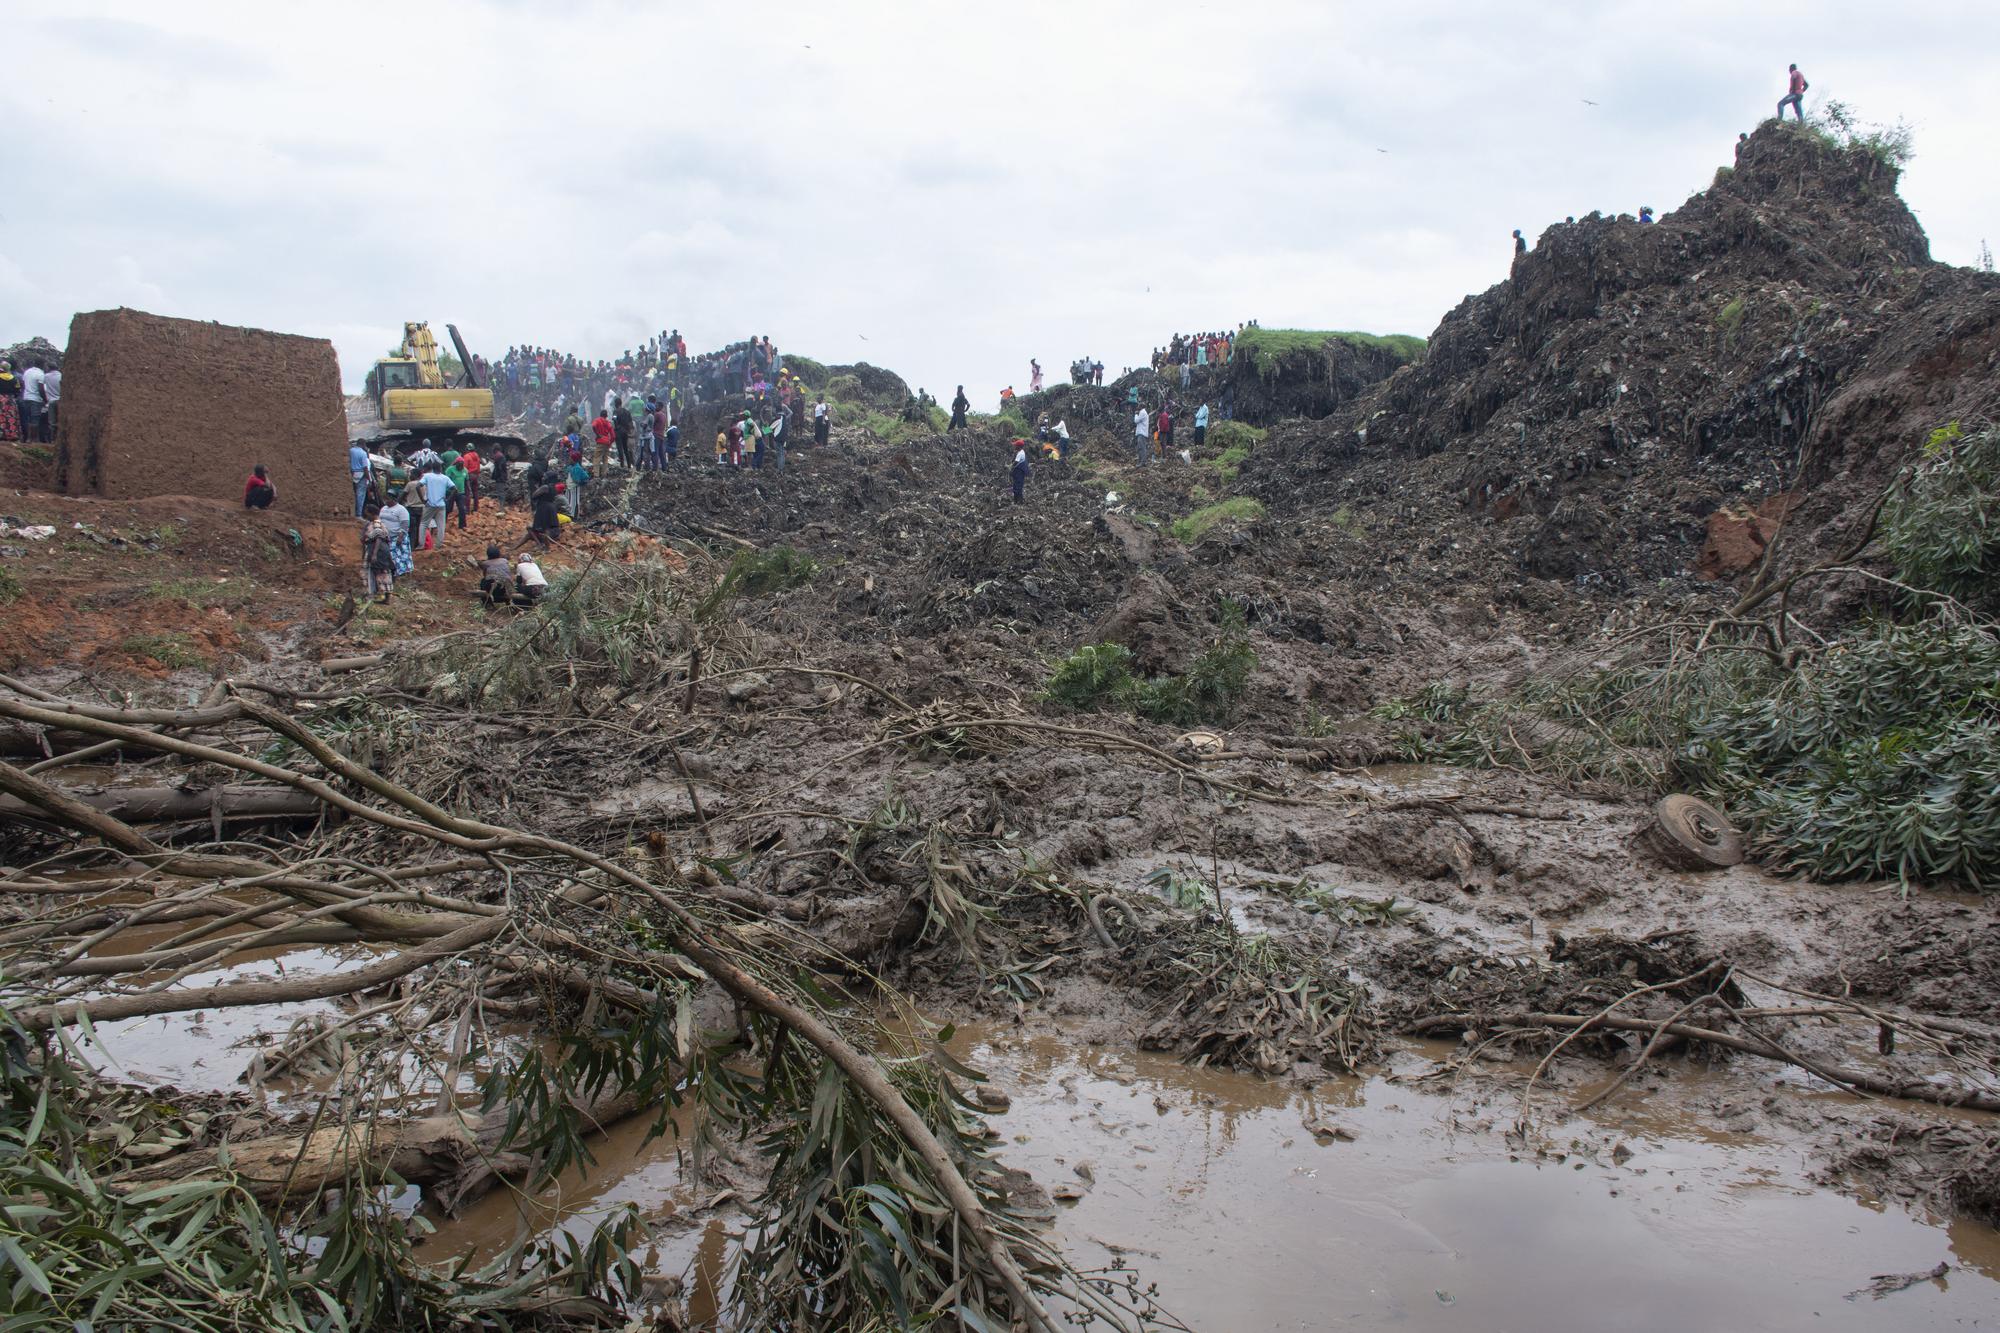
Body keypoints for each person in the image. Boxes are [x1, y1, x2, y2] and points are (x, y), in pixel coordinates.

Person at [379, 490, 414, 578]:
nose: (386, 501)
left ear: (394, 499)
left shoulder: (401, 510)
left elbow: (405, 524)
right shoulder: (383, 508)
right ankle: (394, 573)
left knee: (401, 557)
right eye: (385, 499)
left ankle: (402, 574)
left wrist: (400, 537)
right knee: (391, 556)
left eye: (388, 499)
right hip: (386, 537)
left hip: (397, 537)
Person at [418, 462, 451, 549]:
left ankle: (421, 544)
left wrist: (423, 500)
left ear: (433, 468)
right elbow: (454, 488)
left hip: (430, 504)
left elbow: (418, 486)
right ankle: (438, 545)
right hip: (441, 505)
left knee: (423, 524)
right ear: (440, 468)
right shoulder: (445, 478)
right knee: (441, 525)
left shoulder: (427, 476)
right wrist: (447, 499)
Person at [19, 363, 46, 443]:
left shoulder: (27, 372)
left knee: (27, 418)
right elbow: (41, 389)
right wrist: (45, 399)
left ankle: (27, 438)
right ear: (42, 365)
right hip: (35, 399)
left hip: (26, 397)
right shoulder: (40, 374)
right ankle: (33, 439)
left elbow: (23, 384)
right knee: (35, 419)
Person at [445, 455, 470, 530]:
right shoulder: (450, 469)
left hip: (461, 493)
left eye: (462, 465)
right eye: (459, 465)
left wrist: (468, 490)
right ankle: (443, 523)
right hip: (451, 492)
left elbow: (467, 481)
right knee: (448, 508)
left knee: (462, 509)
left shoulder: (465, 470)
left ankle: (462, 526)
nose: (461, 467)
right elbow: (446, 480)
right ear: (456, 464)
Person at [347, 441, 372, 517]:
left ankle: (350, 513)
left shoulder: (350, 450)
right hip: (361, 474)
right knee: (360, 495)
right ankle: (358, 514)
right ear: (363, 445)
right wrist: (369, 479)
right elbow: (365, 467)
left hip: (352, 473)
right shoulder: (363, 453)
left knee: (352, 494)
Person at [0, 361, 20, 443]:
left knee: (1, 416)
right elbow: (18, 389)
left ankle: (1, 434)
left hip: (1, 399)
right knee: (10, 416)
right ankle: (11, 435)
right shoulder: (14, 378)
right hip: (10, 399)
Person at [459, 445, 482, 512]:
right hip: (476, 475)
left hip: (469, 475)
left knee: (467, 492)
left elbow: (464, 467)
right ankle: (476, 508)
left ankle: (467, 509)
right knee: (475, 492)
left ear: (467, 449)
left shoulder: (466, 456)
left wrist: (463, 476)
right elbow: (478, 466)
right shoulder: (476, 455)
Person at [613, 399, 634, 467]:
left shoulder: (615, 411)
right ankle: (629, 465)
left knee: (620, 448)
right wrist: (629, 430)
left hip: (619, 431)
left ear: (616, 404)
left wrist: (616, 427)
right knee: (625, 448)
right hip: (625, 432)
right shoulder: (627, 412)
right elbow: (630, 422)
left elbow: (614, 420)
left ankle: (622, 464)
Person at [42, 366, 60, 439]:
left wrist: (45, 400)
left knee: (52, 422)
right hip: (61, 400)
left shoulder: (46, 376)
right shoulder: (62, 375)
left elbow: (41, 386)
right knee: (60, 420)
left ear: (49, 369)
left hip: (51, 401)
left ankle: (52, 439)